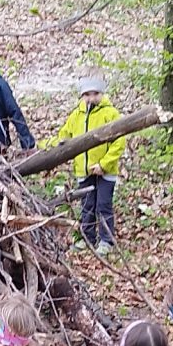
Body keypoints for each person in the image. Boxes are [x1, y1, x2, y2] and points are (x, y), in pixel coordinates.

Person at [53, 74, 125, 251]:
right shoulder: (76, 115)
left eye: (95, 94)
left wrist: (104, 164)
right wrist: (50, 145)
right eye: (87, 94)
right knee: (87, 205)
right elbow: (64, 135)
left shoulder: (110, 113)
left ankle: (106, 240)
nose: (91, 98)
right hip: (83, 170)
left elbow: (119, 142)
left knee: (103, 205)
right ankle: (87, 238)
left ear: (102, 93)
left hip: (104, 170)